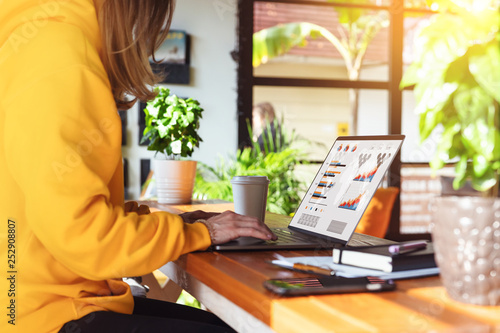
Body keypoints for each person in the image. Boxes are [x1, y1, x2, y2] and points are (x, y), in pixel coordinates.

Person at [0, 1, 276, 333]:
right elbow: (88, 237)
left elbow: (66, 215)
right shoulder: (61, 55)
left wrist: (179, 224)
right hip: (52, 316)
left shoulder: (38, 41)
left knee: (231, 325)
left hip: (35, 304)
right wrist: (202, 233)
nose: (140, 38)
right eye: (143, 24)